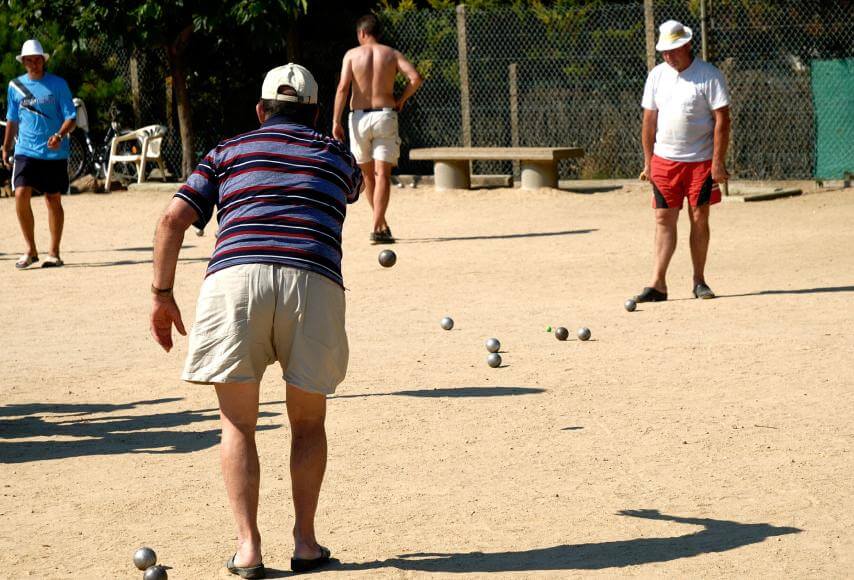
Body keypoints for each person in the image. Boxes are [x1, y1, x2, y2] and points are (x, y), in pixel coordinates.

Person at [150, 64, 362, 578]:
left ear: (260, 111)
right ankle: (305, 543)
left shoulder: (225, 152)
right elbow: (354, 189)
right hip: (311, 282)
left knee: (238, 422)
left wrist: (162, 294)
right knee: (308, 423)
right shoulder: (336, 156)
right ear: (314, 113)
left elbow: (173, 219)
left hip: (235, 282)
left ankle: (248, 549)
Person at [635, 20, 731, 302]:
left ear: (687, 45)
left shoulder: (709, 75)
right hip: (665, 160)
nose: (668, 56)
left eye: (673, 50)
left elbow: (722, 120)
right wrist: (648, 160)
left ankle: (699, 281)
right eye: (664, 52)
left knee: (699, 217)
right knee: (663, 218)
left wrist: (718, 161)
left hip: (701, 161)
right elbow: (648, 121)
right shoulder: (656, 76)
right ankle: (658, 284)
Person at [333, 13, 422, 244]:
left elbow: (343, 88)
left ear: (362, 33)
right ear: (377, 33)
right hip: (385, 115)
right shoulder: (391, 54)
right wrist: (401, 99)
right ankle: (379, 224)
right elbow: (415, 78)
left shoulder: (352, 55)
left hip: (358, 118)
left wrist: (336, 120)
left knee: (367, 175)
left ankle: (377, 223)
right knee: (383, 173)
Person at [2, 39, 76, 269]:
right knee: (20, 194)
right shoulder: (15, 86)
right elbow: (12, 119)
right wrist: (6, 147)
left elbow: (70, 117)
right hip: (25, 150)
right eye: (29, 60)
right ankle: (30, 249)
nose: (34, 63)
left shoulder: (58, 85)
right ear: (23, 62)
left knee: (52, 199)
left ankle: (53, 253)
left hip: (53, 152)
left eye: (37, 59)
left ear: (43, 60)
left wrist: (59, 136)